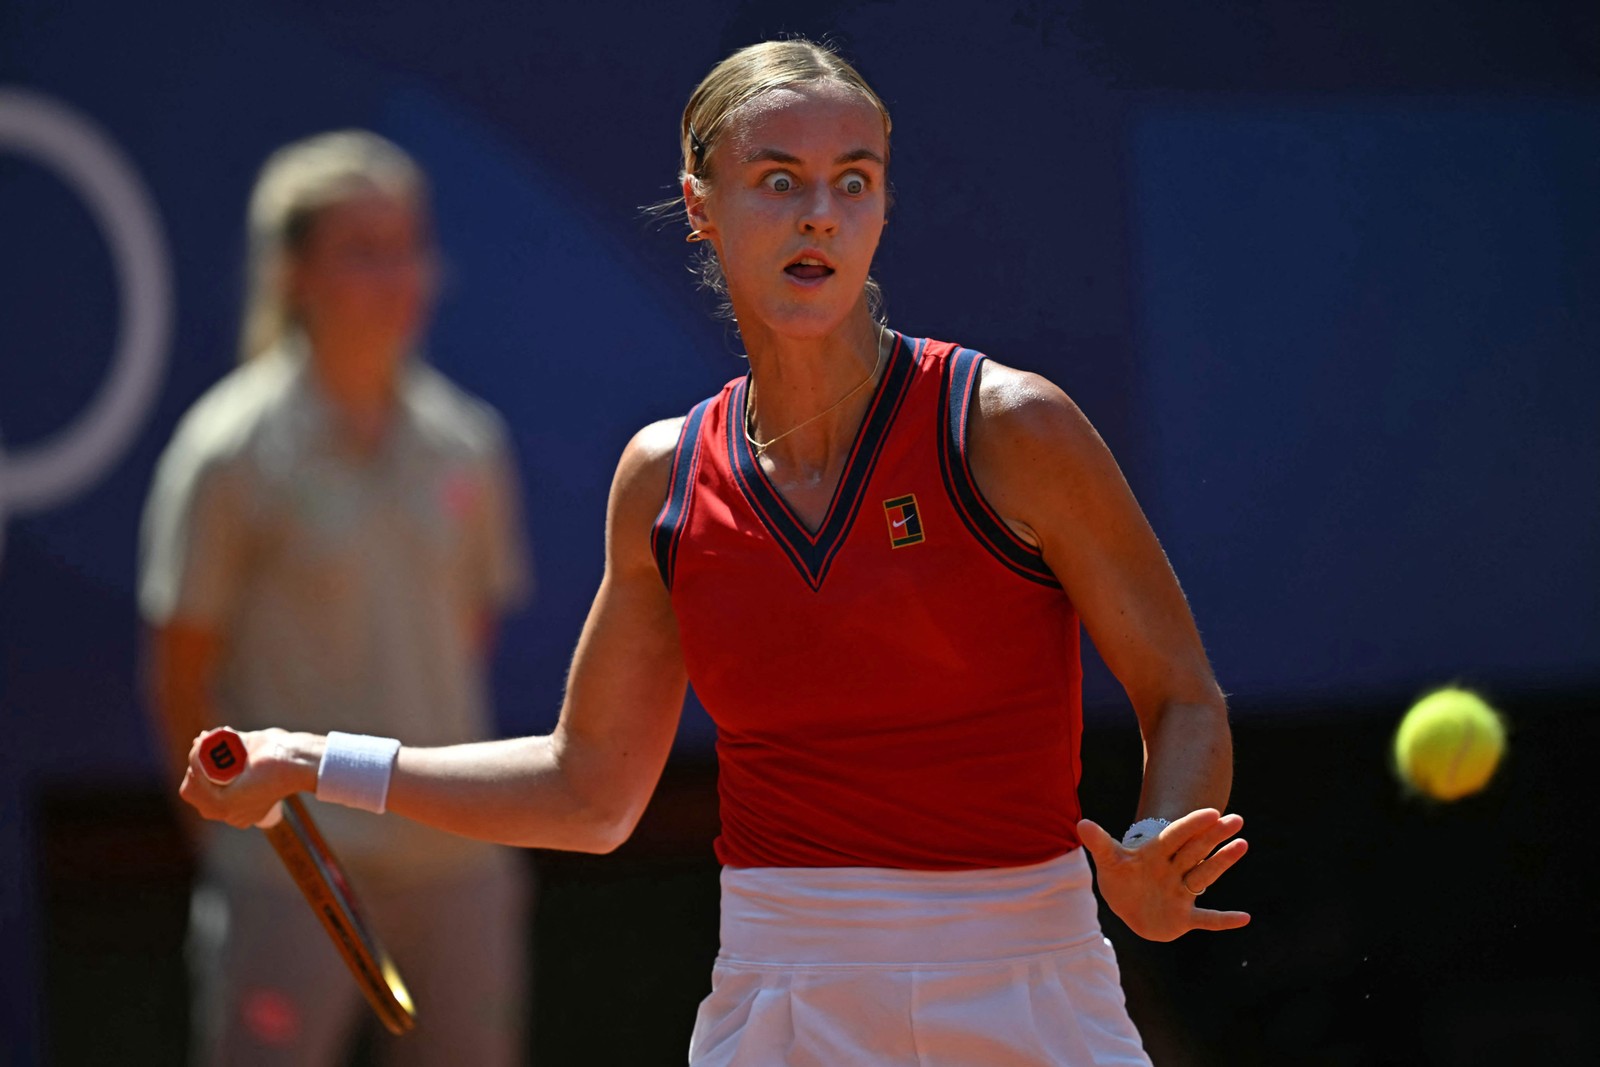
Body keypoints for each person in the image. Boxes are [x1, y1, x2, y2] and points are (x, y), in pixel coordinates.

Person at [179, 43, 1249, 1065]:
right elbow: (587, 788)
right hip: (782, 995)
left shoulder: (1012, 427)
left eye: (853, 181)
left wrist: (1162, 838)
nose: (819, 214)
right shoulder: (664, 476)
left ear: (883, 205)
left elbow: (1182, 694)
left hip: (1026, 982)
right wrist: (316, 760)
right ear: (701, 205)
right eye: (778, 180)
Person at [141, 130, 533, 1066]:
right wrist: (254, 847)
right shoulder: (227, 450)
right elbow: (180, 675)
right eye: (363, 249)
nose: (398, 274)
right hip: (287, 875)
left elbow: (466, 634)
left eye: (408, 245)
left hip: (458, 867)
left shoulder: (468, 443)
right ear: (295, 274)